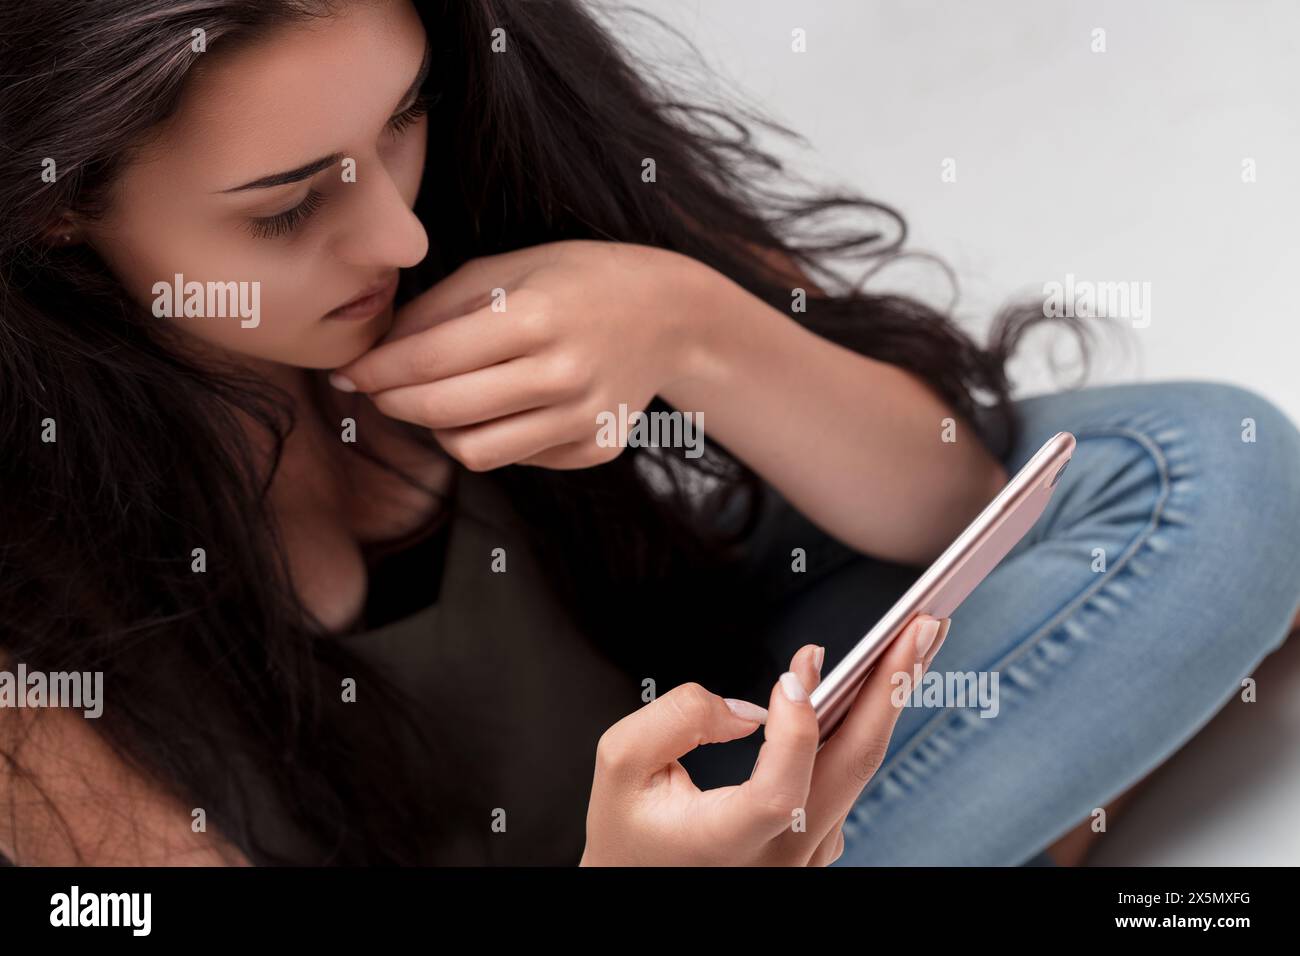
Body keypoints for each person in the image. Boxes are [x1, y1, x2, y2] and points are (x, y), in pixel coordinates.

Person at [2, 0, 1297, 866]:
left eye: (403, 117)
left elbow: (953, 506)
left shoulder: (494, 175)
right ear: (57, 207)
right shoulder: (32, 628)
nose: (399, 234)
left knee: (1212, 476)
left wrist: (684, 324)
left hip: (740, 737)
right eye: (286, 210)